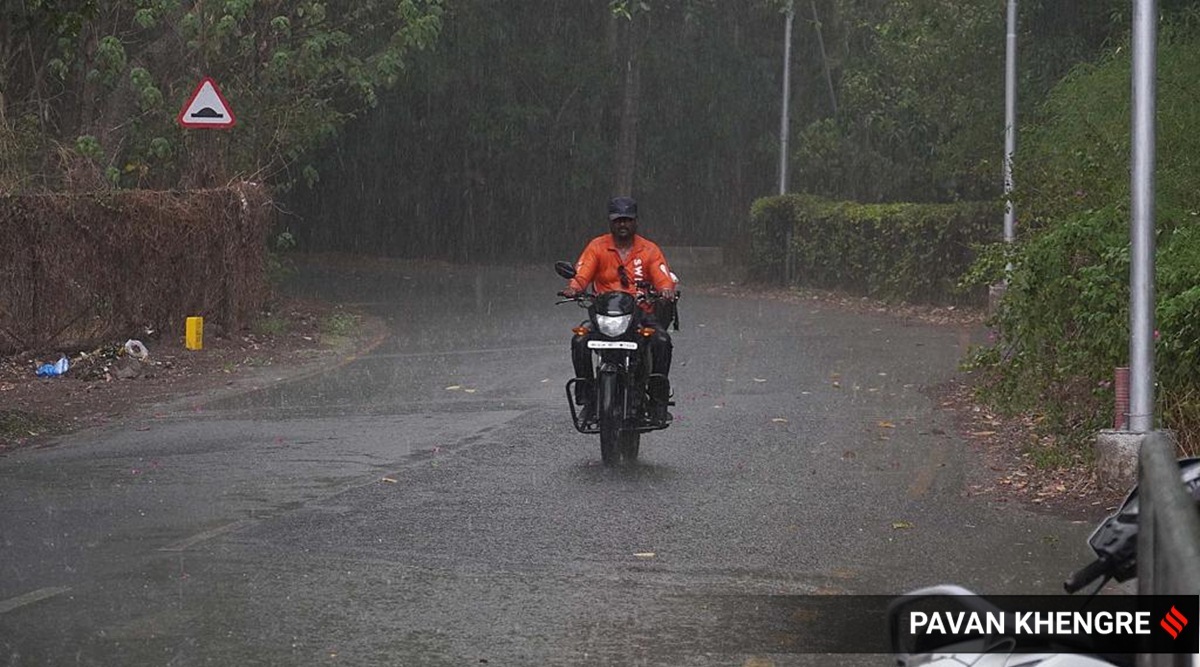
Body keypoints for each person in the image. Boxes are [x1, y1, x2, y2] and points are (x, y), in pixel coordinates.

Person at [561, 196, 676, 424]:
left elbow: (662, 275)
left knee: (661, 341)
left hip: (640, 314)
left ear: (635, 222)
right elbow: (582, 273)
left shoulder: (649, 249)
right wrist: (573, 288)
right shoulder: (597, 247)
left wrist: (665, 290)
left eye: (627, 220)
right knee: (579, 341)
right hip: (604, 314)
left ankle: (657, 401)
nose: (622, 225)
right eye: (617, 220)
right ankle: (588, 398)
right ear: (610, 222)